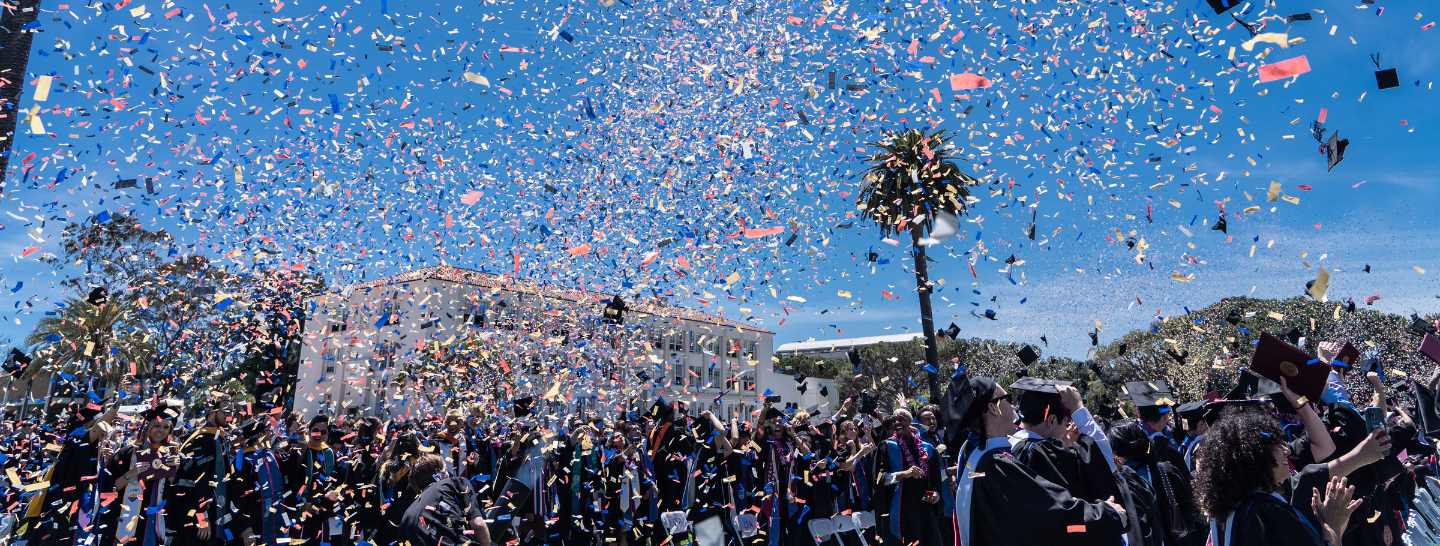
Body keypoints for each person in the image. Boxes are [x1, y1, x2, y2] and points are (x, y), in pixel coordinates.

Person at [941, 370, 1127, 546]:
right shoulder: (997, 464)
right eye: (1007, 399)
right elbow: (1050, 516)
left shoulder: (971, 452)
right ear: (993, 408)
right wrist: (1109, 514)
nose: (1013, 406)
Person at [1193, 408, 1362, 546]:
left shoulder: (1235, 509)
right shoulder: (1266, 513)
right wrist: (1332, 526)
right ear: (1254, 455)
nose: (1287, 451)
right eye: (1276, 445)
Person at [1007, 378, 1119, 504]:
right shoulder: (1040, 454)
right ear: (1052, 421)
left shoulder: (1004, 444)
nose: (1067, 427)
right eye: (1066, 419)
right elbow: (1106, 465)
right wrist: (1078, 408)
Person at [99, 404, 181, 546]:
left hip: (153, 523)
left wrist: (175, 470)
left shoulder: (173, 456)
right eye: (156, 426)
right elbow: (111, 488)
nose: (161, 431)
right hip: (124, 521)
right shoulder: (127, 453)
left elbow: (176, 491)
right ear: (148, 427)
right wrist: (131, 473)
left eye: (166, 427)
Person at [168, 393, 234, 546]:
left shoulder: (219, 437)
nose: (230, 416)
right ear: (212, 413)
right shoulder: (203, 439)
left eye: (232, 412)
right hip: (201, 514)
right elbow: (197, 480)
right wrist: (202, 517)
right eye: (226, 411)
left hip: (215, 511)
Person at [875, 408, 945, 546]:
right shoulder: (887, 447)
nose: (896, 422)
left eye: (901, 419)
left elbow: (936, 480)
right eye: (894, 420)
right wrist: (903, 474)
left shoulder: (928, 449)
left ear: (910, 423)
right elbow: (878, 479)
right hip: (900, 511)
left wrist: (936, 495)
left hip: (924, 510)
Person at [398, 453, 491, 546]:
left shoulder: (406, 515)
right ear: (438, 474)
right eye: (446, 471)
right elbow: (478, 525)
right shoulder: (455, 483)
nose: (449, 475)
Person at [229, 418, 287, 546]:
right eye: (269, 430)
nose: (272, 433)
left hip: (275, 525)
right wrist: (246, 529)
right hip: (255, 528)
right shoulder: (243, 462)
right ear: (260, 435)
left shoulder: (272, 457)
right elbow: (238, 497)